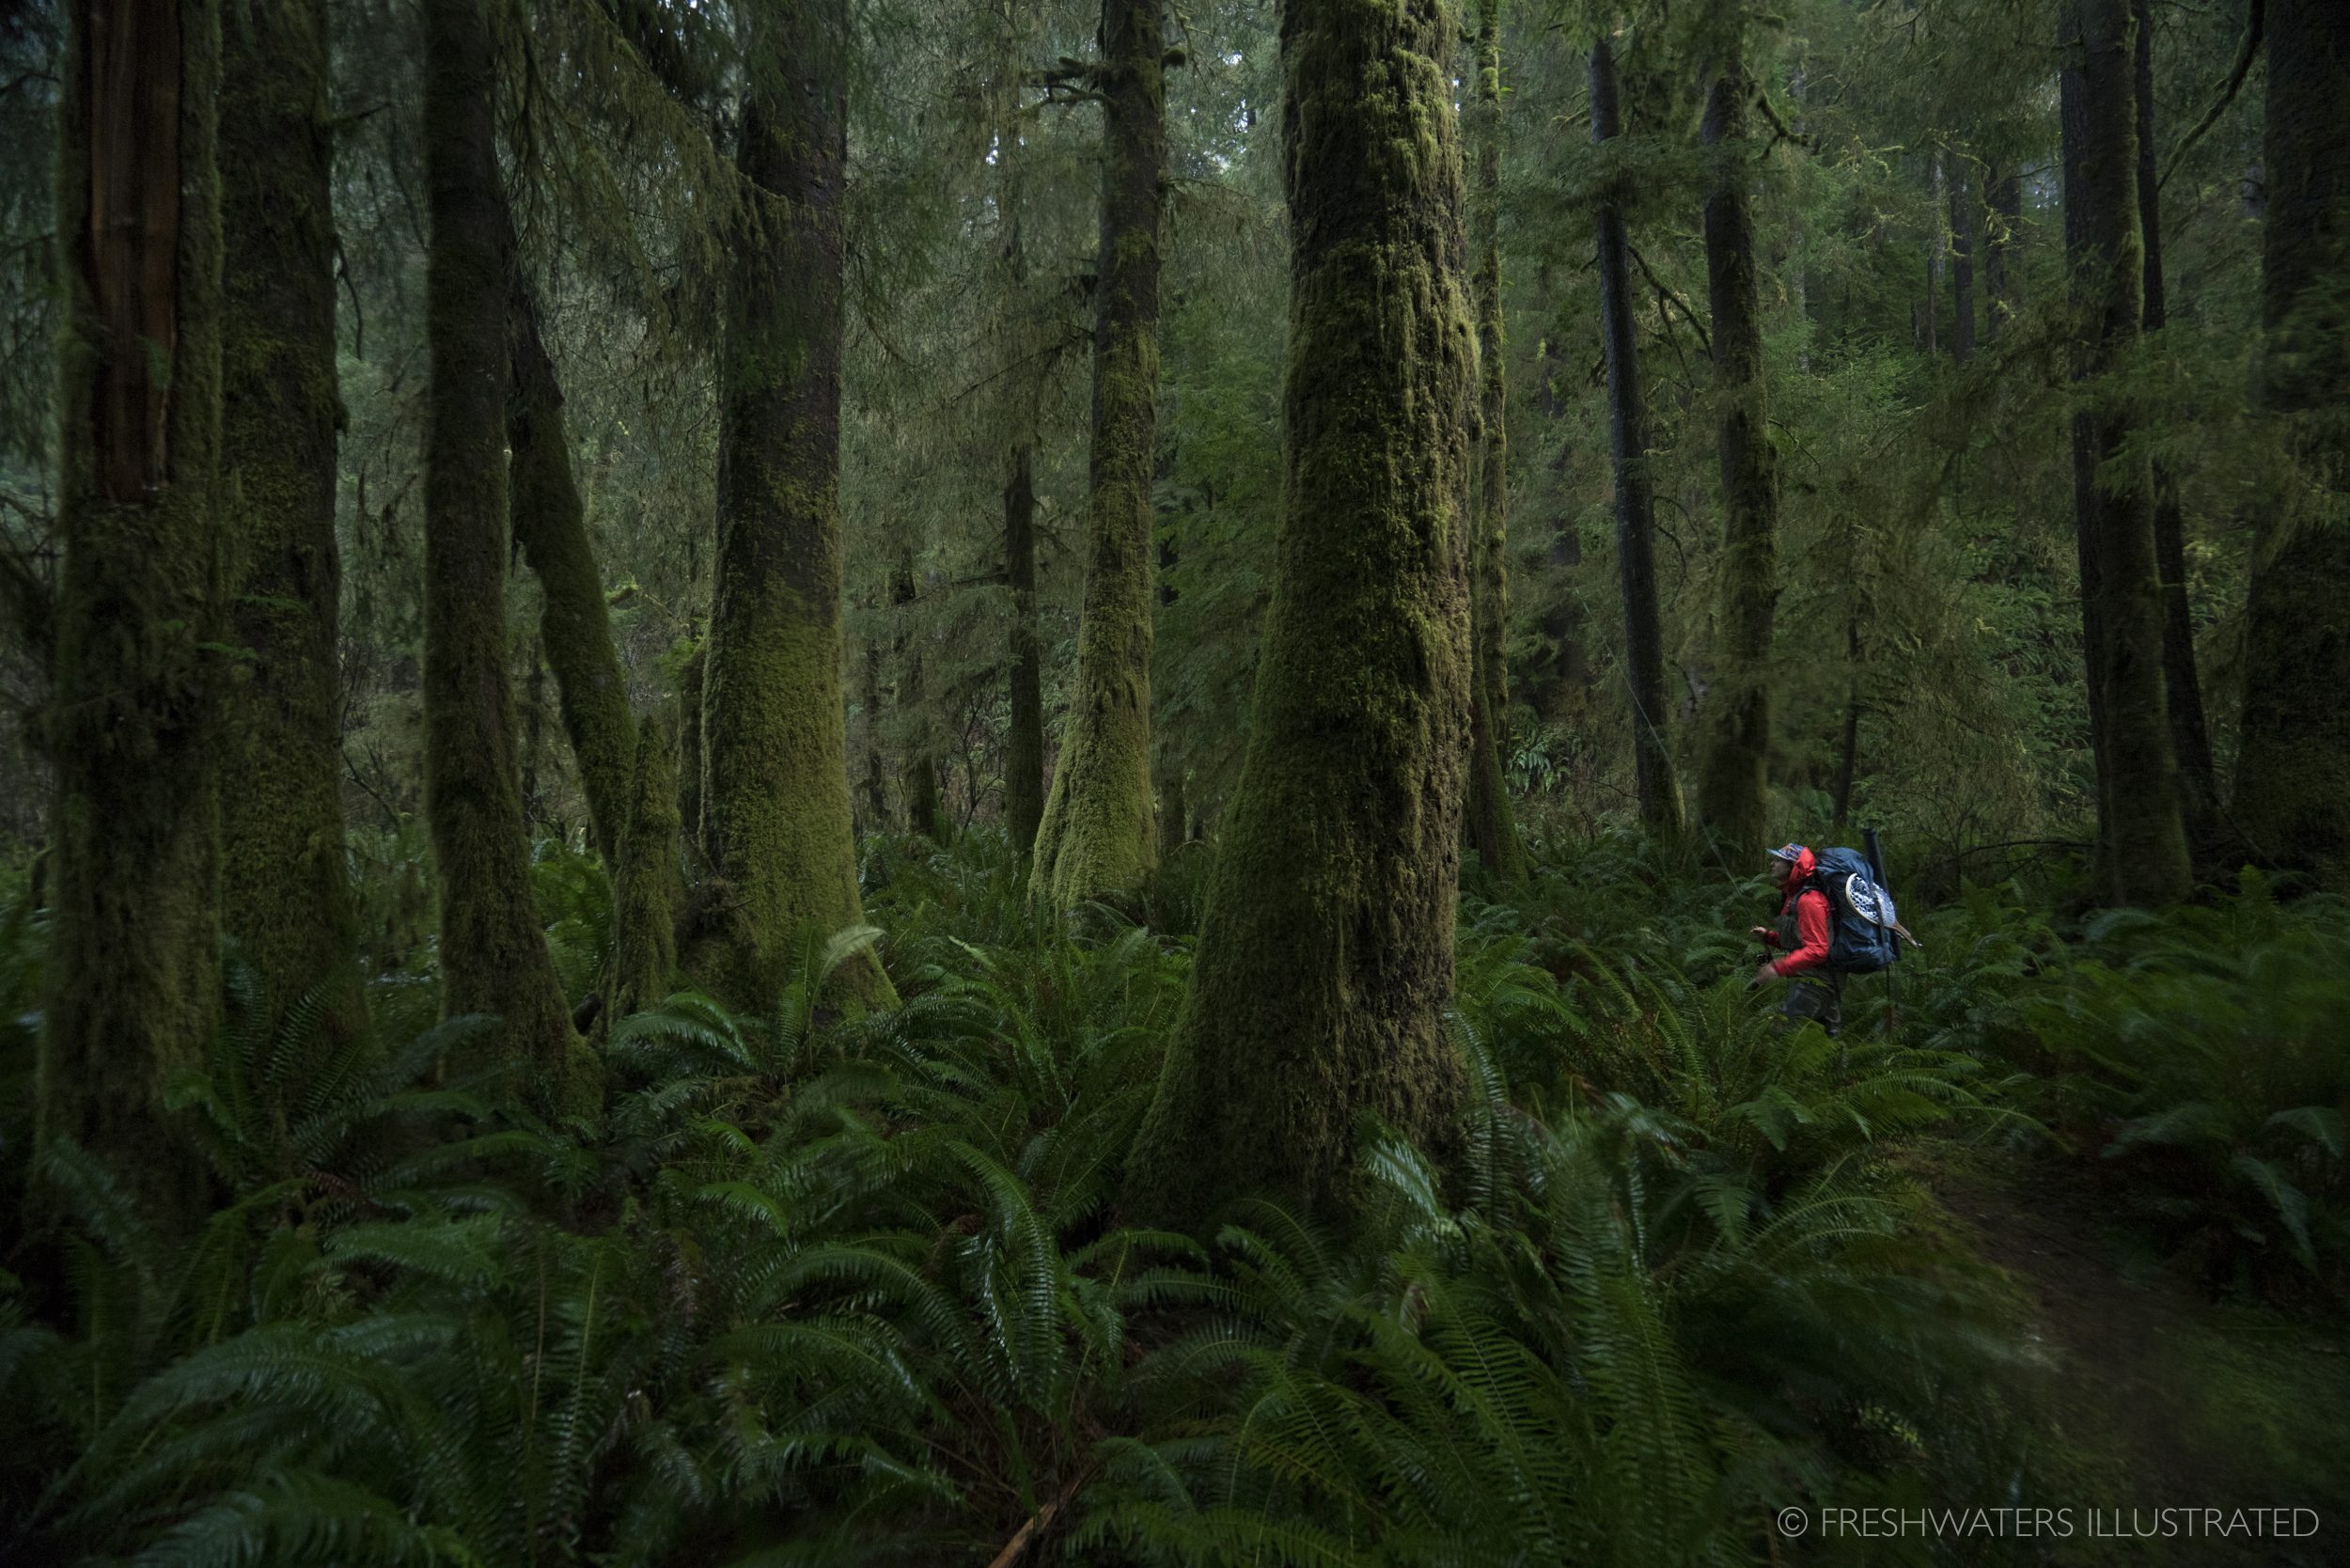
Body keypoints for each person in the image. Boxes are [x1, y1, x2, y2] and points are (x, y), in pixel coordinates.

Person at [1749, 842, 1841, 1037]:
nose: (1772, 864)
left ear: (1793, 866)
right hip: (1815, 980)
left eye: (1778, 860)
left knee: (1780, 1036)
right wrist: (1768, 936)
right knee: (1826, 1044)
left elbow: (1817, 949)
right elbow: (1798, 941)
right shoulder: (1794, 898)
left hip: (1817, 981)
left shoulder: (1810, 900)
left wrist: (1777, 968)